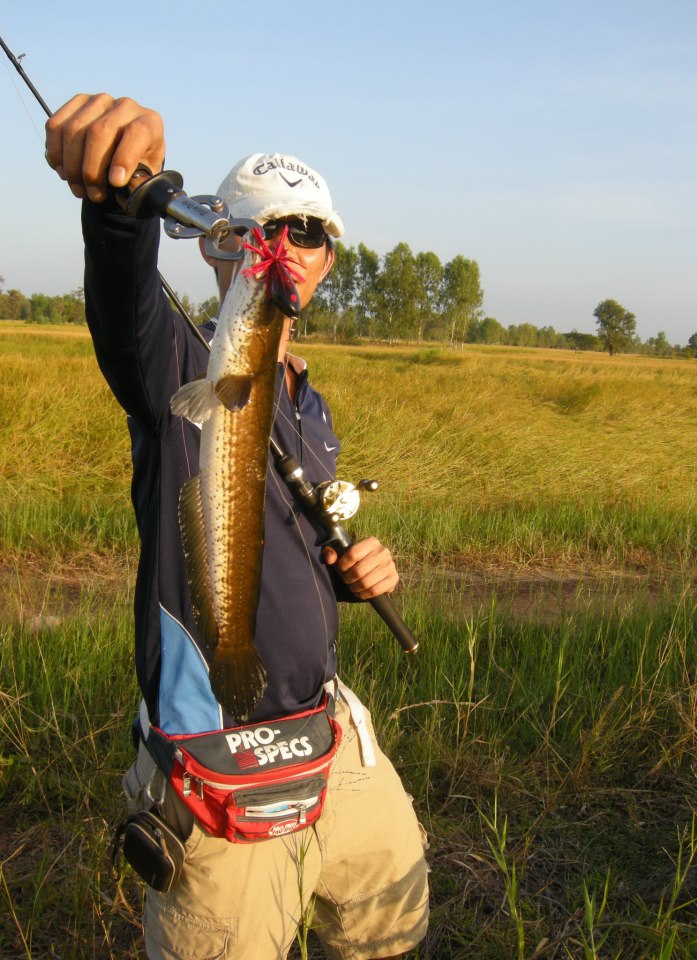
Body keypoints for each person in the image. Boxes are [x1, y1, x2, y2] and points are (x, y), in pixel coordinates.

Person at [45, 94, 429, 960]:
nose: (287, 247)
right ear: (221, 244)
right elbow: (123, 298)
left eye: (308, 232)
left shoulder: (308, 400)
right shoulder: (176, 365)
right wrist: (112, 209)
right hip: (219, 761)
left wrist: (352, 571)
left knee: (392, 930)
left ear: (328, 255)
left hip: (331, 734)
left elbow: (294, 544)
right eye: (267, 230)